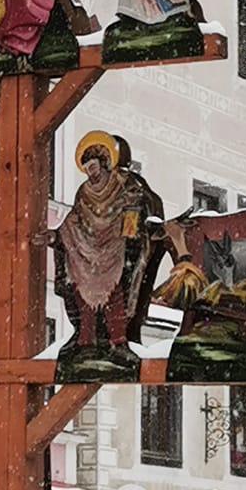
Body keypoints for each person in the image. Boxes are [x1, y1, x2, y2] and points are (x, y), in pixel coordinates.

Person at [53, 132, 163, 364]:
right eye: (86, 168)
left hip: (116, 247)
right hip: (88, 251)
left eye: (93, 165)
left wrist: (129, 233)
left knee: (115, 294)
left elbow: (136, 207)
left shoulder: (125, 182)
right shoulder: (84, 192)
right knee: (82, 292)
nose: (91, 171)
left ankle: (117, 341)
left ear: (104, 162)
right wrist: (56, 235)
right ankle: (86, 340)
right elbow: (75, 220)